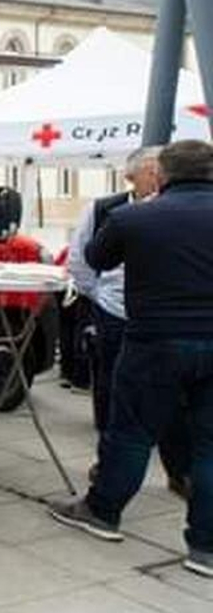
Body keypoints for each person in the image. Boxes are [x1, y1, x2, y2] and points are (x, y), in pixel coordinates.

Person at [49, 139, 213, 579]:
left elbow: (96, 257)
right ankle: (205, 547)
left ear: (161, 176)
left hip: (152, 341)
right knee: (209, 445)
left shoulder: (134, 217)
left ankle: (103, 512)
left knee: (132, 432)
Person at [67, 146, 191, 496]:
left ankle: (178, 469)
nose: (156, 178)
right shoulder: (107, 210)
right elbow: (82, 260)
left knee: (174, 397)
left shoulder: (178, 210)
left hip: (166, 319)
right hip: (116, 313)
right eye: (150, 171)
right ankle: (107, 464)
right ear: (131, 175)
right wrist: (101, 298)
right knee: (114, 390)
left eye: (160, 170)